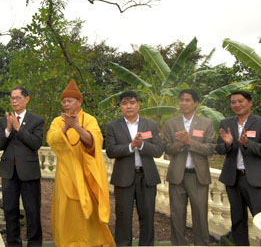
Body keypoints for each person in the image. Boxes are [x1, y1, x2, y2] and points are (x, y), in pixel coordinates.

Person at [46, 79, 114, 247]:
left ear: (79, 102)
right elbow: (51, 140)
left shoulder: (89, 120)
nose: (66, 104)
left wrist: (77, 127)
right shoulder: (58, 121)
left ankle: (89, 242)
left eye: (69, 101)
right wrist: (65, 128)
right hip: (66, 174)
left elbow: (95, 142)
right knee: (66, 212)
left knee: (88, 213)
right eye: (64, 102)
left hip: (86, 174)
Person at [105, 90, 163, 246]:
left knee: (148, 216)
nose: (128, 106)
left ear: (138, 104)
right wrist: (131, 146)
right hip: (124, 178)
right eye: (124, 103)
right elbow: (110, 151)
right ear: (120, 107)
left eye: (132, 102)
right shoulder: (113, 127)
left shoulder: (150, 125)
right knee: (123, 216)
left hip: (147, 177)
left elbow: (158, 151)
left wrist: (142, 145)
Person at [161, 89, 216, 246]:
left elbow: (211, 148)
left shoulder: (207, 124)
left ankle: (202, 244)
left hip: (198, 177)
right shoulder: (171, 124)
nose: (183, 103)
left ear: (196, 103)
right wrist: (179, 144)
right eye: (181, 100)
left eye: (187, 100)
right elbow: (166, 148)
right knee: (177, 215)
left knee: (200, 214)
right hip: (177, 176)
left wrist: (190, 142)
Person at [0, 86, 44, 247]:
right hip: (9, 173)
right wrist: (8, 129)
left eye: (17, 97)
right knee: (10, 211)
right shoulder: (4, 120)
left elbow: (36, 143)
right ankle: (13, 243)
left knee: (32, 211)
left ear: (26, 99)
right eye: (12, 97)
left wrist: (18, 128)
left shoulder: (37, 121)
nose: (14, 100)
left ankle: (34, 244)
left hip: (29, 173)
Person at [216, 90, 261, 246]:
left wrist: (249, 144)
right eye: (233, 102)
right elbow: (219, 149)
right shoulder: (225, 123)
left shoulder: (259, 122)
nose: (237, 105)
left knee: (259, 219)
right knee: (237, 220)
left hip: (255, 181)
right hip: (232, 179)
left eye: (240, 101)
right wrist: (228, 144)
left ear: (250, 102)